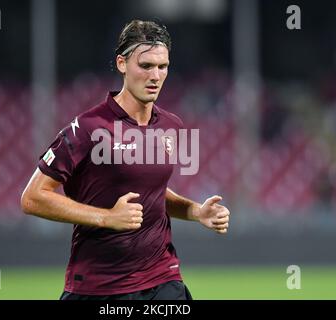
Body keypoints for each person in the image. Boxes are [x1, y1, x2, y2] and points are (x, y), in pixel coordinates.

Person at [20, 19, 230, 300]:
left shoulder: (171, 126)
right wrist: (106, 217)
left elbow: (151, 193)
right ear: (122, 64)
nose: (155, 76)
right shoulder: (89, 128)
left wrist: (195, 212)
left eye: (162, 66)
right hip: (99, 287)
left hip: (163, 280)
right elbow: (32, 197)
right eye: (145, 66)